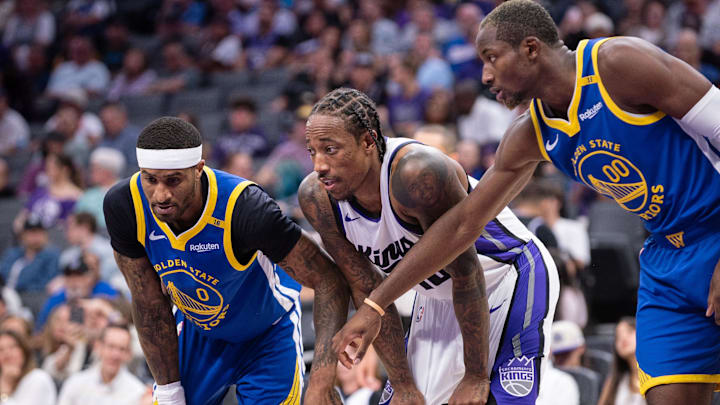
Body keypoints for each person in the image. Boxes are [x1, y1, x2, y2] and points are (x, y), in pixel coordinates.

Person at [332, 2, 720, 405]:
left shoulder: (618, 64)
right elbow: (462, 225)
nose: (484, 75)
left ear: (531, 49)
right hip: (666, 262)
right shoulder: (530, 133)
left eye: (492, 58)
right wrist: (376, 304)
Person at [300, 87, 558, 404]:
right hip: (437, 294)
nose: (319, 165)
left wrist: (475, 376)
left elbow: (466, 270)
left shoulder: (416, 174)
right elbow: (368, 293)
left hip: (505, 275)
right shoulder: (317, 198)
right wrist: (403, 384)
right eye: (312, 151)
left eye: (330, 149)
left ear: (367, 141)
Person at [103, 117, 350, 405]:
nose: (161, 194)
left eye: (173, 180)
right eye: (150, 179)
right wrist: (169, 391)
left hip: (267, 334)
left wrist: (322, 380)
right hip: (199, 332)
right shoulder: (125, 205)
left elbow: (328, 280)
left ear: (198, 169)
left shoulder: (245, 208)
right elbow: (149, 303)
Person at [57, 324, 147, 405]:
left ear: (129, 354)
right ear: (98, 347)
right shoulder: (75, 383)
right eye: (111, 346)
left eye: (122, 349)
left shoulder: (138, 393)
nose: (115, 355)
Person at [0, 329, 56, 404]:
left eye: (12, 347)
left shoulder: (38, 378)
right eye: (1, 350)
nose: (7, 353)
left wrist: (5, 389)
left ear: (24, 351)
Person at [598, 318, 646, 405]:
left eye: (629, 331)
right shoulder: (614, 380)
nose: (623, 338)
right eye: (618, 336)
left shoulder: (658, 374)